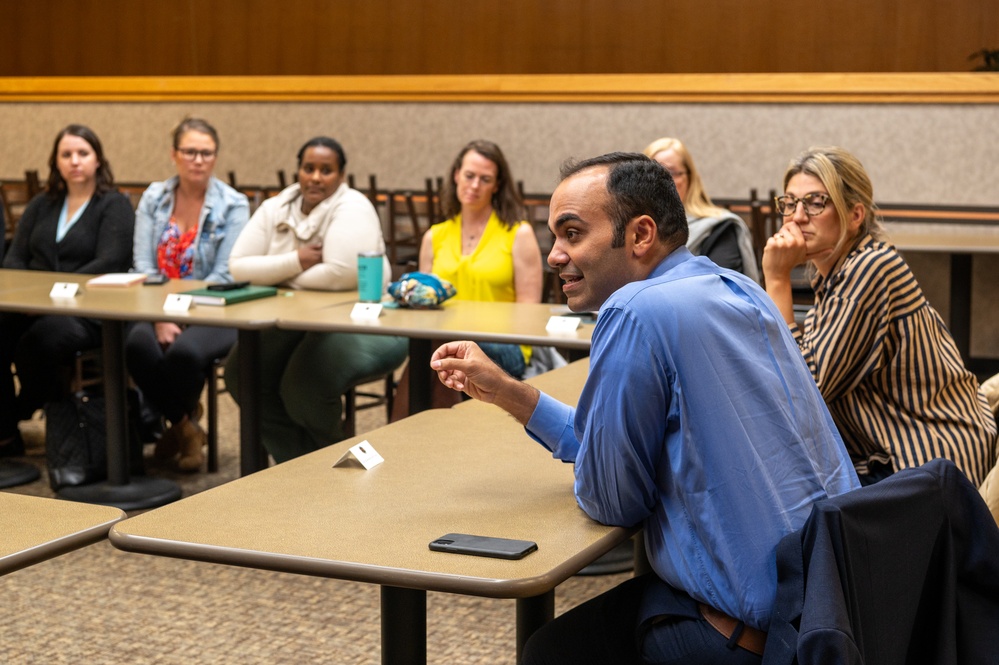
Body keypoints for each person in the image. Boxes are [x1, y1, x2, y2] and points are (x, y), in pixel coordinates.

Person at [431, 152, 859, 664]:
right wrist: (507, 391)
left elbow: (613, 501)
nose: (554, 255)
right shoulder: (740, 289)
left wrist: (617, 457)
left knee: (549, 651)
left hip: (753, 639)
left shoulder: (634, 311)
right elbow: (637, 443)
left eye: (571, 233)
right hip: (831, 606)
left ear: (640, 235)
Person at [762, 146, 997, 487]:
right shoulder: (834, 274)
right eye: (790, 202)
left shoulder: (870, 268)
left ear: (855, 215)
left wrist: (778, 279)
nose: (797, 217)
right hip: (885, 454)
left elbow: (805, 389)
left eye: (815, 202)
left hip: (928, 461)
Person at [224, 136, 407, 463]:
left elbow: (339, 273)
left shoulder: (353, 206)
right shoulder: (277, 205)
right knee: (242, 372)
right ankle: (295, 463)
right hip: (298, 320)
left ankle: (341, 466)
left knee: (304, 386)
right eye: (309, 168)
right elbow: (238, 267)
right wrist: (296, 261)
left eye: (326, 170)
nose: (316, 177)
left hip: (367, 322)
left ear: (341, 175)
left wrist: (274, 273)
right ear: (298, 170)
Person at [0, 124, 134, 456]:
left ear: (98, 160)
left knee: (41, 342)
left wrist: (47, 297)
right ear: (56, 162)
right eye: (66, 154)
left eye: (83, 153)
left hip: (87, 311)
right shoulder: (41, 205)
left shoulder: (113, 205)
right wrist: (27, 297)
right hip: (30, 306)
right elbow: (15, 257)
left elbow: (109, 261)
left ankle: (19, 411)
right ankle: (4, 431)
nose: (75, 161)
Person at [125, 117, 249, 472]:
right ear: (174, 155)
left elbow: (224, 273)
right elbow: (144, 266)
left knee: (184, 353)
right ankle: (186, 428)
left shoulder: (233, 204)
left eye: (206, 153)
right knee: (137, 346)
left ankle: (177, 426)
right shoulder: (154, 197)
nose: (198, 160)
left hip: (214, 307)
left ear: (215, 157)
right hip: (156, 304)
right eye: (190, 151)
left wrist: (180, 311)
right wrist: (162, 315)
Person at [391, 140, 543, 418]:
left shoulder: (518, 233)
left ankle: (409, 435)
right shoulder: (434, 236)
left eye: (485, 179)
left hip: (504, 347)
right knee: (440, 349)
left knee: (438, 352)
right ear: (456, 175)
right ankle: (435, 436)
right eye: (469, 176)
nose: (474, 186)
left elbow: (529, 313)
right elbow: (424, 306)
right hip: (446, 342)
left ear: (496, 185)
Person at [643, 137, 759, 281]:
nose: (661, 182)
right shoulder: (638, 230)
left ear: (689, 178)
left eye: (671, 173)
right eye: (652, 175)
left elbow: (720, 288)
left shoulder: (718, 228)